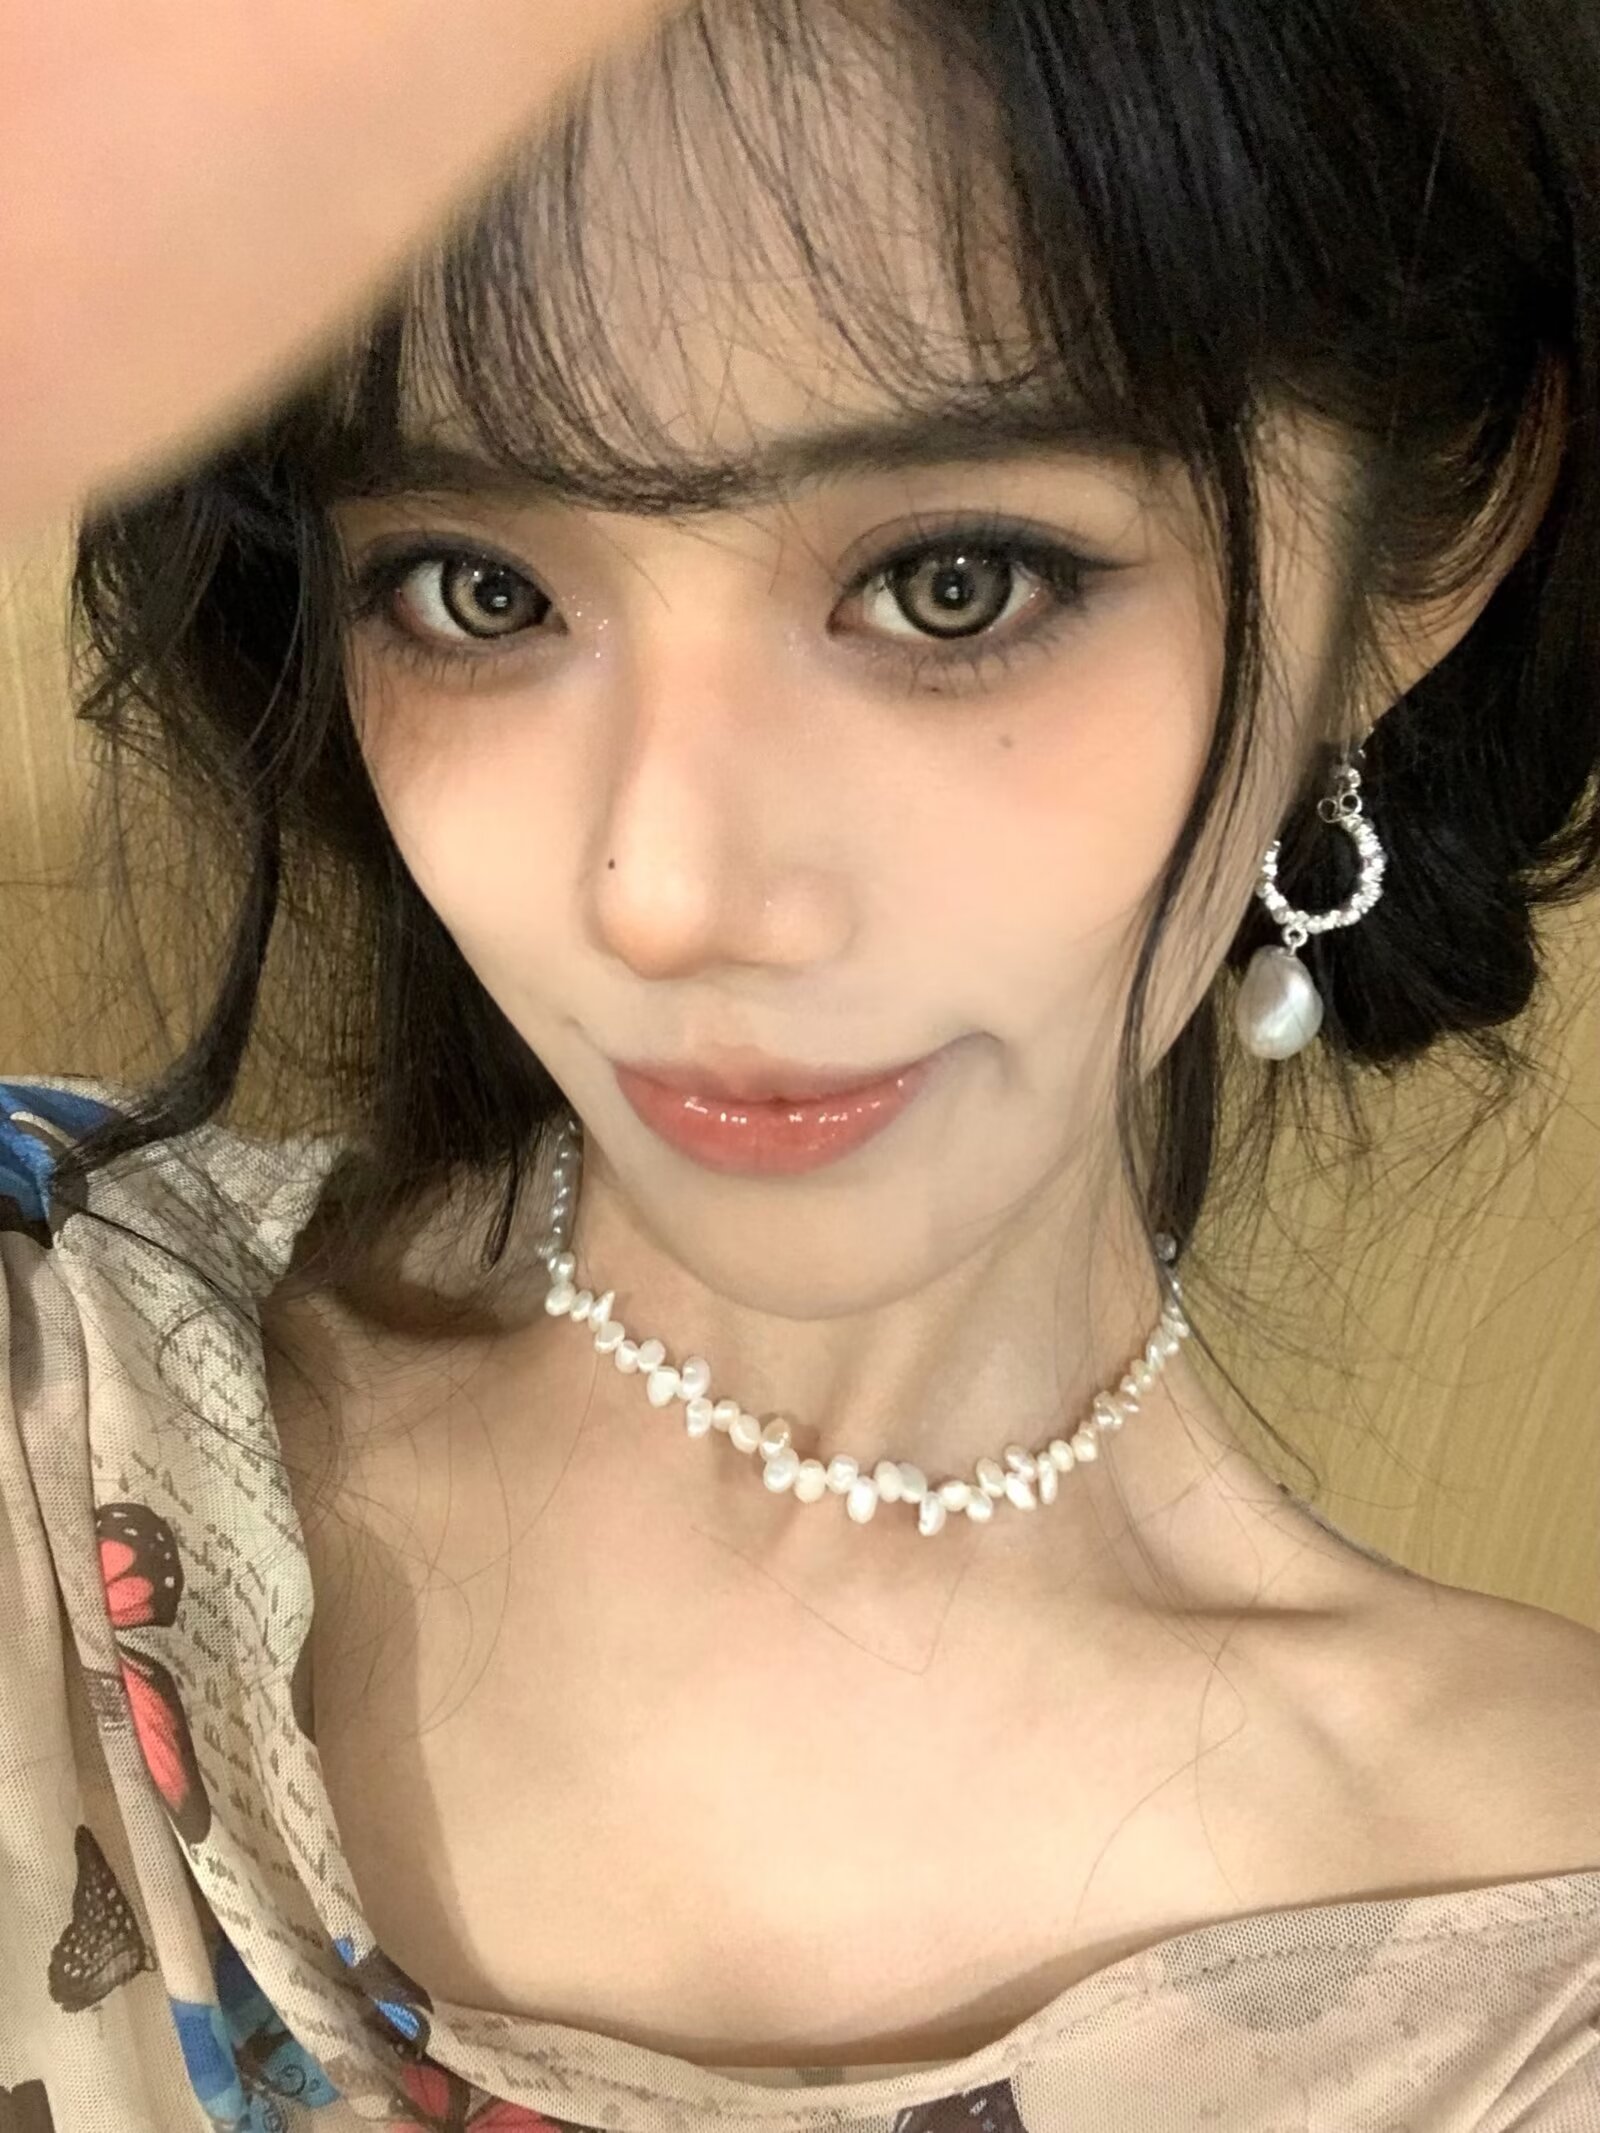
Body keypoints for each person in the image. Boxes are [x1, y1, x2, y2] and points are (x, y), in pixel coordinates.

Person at [2, 2, 1599, 2129]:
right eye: (477, 591)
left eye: (950, 585)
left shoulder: (1519, 1978)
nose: (666, 890)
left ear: (1433, 553)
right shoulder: (47, 1399)